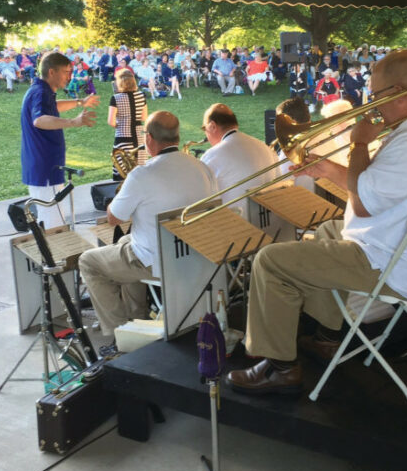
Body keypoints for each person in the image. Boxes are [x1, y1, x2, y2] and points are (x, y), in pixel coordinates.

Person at [227, 50, 407, 394]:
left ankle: (280, 367)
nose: (372, 103)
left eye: (376, 94)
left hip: (388, 263)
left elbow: (364, 203)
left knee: (270, 261)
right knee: (327, 230)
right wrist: (325, 169)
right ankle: (327, 336)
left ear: (398, 91)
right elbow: (377, 187)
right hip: (405, 249)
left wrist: (359, 144)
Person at [77, 111, 217, 346]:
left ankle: (117, 334)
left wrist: (123, 191)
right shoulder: (202, 167)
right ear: (177, 136)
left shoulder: (142, 174)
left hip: (156, 261)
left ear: (149, 139)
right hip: (193, 256)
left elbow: (113, 218)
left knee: (88, 263)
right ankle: (137, 321)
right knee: (124, 245)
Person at [20, 51, 99, 228]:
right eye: (66, 72)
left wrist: (80, 102)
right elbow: (39, 120)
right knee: (54, 222)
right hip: (45, 166)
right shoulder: (40, 92)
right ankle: (56, 255)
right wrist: (73, 122)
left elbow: (53, 107)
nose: (70, 76)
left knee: (50, 217)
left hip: (44, 164)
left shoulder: (42, 91)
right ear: (51, 72)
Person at [200, 104, 279, 218]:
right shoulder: (264, 147)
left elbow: (204, 200)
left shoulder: (212, 155)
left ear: (212, 126)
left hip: (236, 225)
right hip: (270, 222)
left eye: (204, 128)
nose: (205, 135)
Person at [108, 69, 148, 180]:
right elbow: (144, 117)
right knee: (140, 171)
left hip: (123, 138)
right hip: (139, 136)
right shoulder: (141, 95)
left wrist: (120, 124)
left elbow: (110, 121)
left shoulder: (116, 98)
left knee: (122, 172)